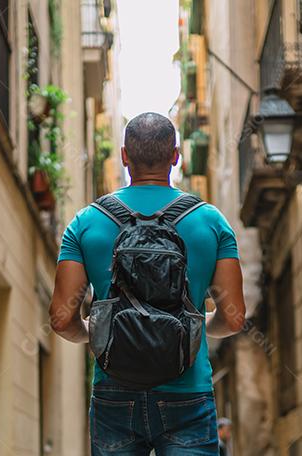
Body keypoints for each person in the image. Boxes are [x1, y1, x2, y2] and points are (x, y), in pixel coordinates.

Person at [50, 112, 246, 455]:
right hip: (189, 394)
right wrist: (197, 327)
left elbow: (61, 319)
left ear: (125, 156)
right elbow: (234, 318)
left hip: (114, 396)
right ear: (175, 156)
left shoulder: (86, 222)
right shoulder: (210, 222)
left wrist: (96, 330)